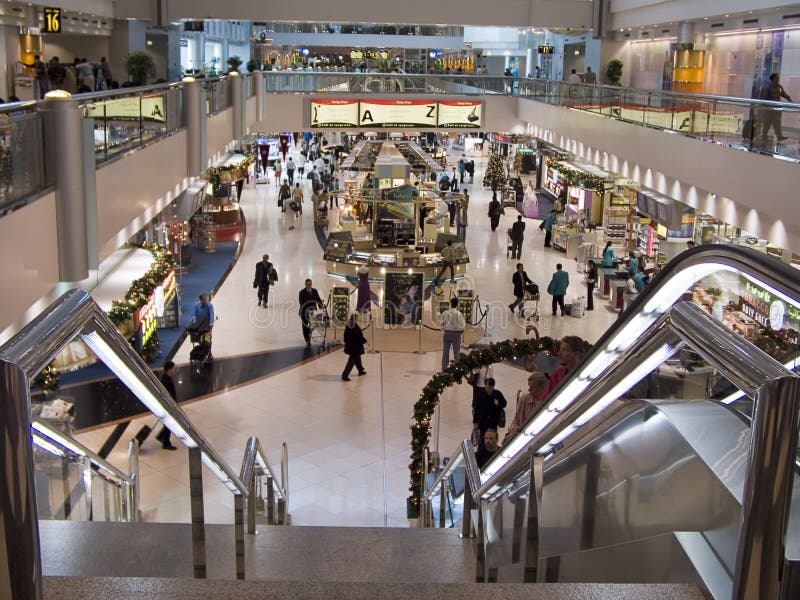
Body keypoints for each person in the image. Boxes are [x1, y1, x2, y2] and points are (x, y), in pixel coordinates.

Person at [503, 371, 548, 445]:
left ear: (541, 388)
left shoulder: (547, 403)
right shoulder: (525, 398)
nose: (529, 390)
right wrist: (511, 431)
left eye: (532, 388)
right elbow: (516, 419)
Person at [539, 336, 585, 403]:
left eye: (564, 350)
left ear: (576, 354)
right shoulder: (557, 374)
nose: (559, 353)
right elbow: (544, 400)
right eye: (560, 349)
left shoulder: (585, 373)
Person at [473, 377, 507, 445]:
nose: (488, 390)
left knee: (492, 437)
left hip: (493, 421)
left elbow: (504, 403)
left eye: (490, 388)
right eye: (487, 387)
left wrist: (498, 404)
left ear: (493, 387)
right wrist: (475, 421)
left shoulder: (497, 394)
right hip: (483, 421)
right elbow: (476, 408)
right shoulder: (481, 395)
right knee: (482, 438)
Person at [760, 73, 793, 143]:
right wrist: (764, 110)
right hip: (769, 110)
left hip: (777, 109)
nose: (778, 79)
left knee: (777, 123)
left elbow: (784, 94)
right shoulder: (768, 87)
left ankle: (779, 136)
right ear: (773, 79)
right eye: (776, 77)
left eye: (778, 77)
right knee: (767, 123)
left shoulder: (779, 87)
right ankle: (764, 136)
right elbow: (764, 100)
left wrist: (790, 100)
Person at [155, 361, 178, 450]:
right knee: (169, 423)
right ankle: (166, 442)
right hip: (167, 406)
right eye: (173, 368)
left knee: (168, 423)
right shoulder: (165, 380)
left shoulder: (167, 378)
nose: (174, 370)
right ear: (169, 369)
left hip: (168, 405)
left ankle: (162, 436)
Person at [440, 297, 465, 371]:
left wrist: (444, 329)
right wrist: (461, 331)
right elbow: (462, 325)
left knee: (445, 351)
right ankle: (458, 368)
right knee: (456, 352)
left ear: (450, 303)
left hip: (447, 333)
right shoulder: (459, 313)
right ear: (457, 304)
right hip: (457, 334)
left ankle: (444, 367)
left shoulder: (445, 312)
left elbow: (441, 323)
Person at [341, 314, 367, 381]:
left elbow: (346, 336)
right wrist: (364, 340)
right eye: (357, 318)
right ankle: (345, 375)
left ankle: (360, 370)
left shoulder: (350, 324)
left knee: (357, 358)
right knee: (352, 361)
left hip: (351, 346)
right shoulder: (354, 326)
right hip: (354, 347)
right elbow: (358, 336)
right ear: (355, 318)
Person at [298, 279, 324, 346]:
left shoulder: (314, 291)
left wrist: (321, 306)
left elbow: (318, 299)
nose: (309, 285)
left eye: (310, 284)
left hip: (313, 312)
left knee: (313, 325)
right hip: (304, 312)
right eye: (307, 284)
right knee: (305, 326)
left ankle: (309, 336)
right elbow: (302, 303)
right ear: (305, 284)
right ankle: (307, 340)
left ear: (311, 284)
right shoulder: (301, 292)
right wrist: (308, 310)